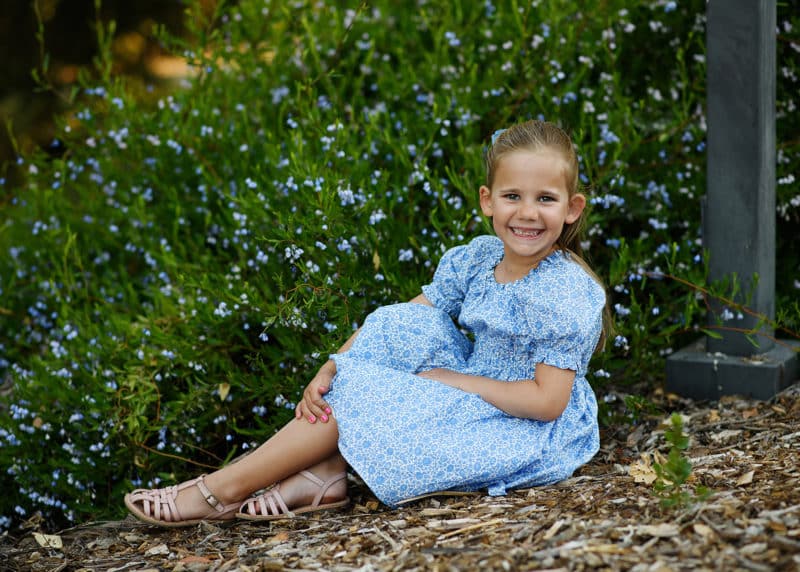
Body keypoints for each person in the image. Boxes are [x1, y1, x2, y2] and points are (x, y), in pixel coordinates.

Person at [124, 119, 610, 527]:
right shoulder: (480, 258)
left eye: (545, 199)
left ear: (572, 208)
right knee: (397, 323)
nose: (527, 213)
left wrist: (452, 382)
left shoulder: (561, 291)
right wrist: (336, 364)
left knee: (379, 389)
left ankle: (223, 489)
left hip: (524, 427)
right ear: (487, 201)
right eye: (512, 196)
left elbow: (547, 402)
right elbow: (410, 314)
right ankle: (325, 475)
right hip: (476, 390)